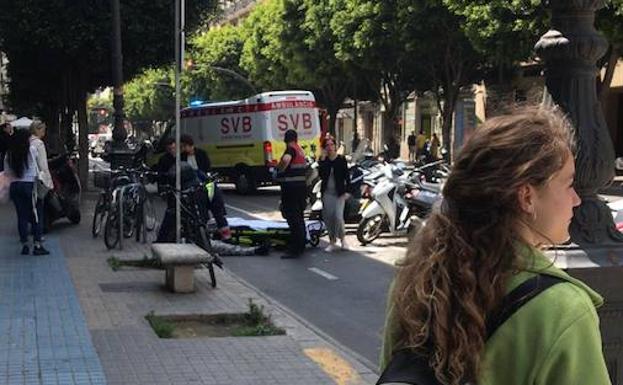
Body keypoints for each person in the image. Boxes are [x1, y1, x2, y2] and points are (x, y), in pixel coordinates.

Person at [380, 106, 611, 385]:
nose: (576, 199)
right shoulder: (562, 310)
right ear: (526, 197)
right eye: (568, 184)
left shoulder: (417, 281)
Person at [4, 129, 50, 255]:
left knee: (21, 216)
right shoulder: (31, 150)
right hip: (29, 185)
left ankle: (24, 244)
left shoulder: (9, 153)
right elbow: (37, 167)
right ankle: (37, 245)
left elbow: (7, 172)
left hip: (15, 186)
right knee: (36, 215)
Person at [180, 134, 231, 240]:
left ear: (190, 145)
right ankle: (205, 235)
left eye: (185, 146)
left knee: (217, 210)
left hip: (206, 183)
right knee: (201, 211)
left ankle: (225, 235)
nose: (184, 149)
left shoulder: (201, 153)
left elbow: (207, 167)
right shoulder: (182, 157)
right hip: (194, 187)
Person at [275, 129, 308, 259]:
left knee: (293, 219)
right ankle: (301, 244)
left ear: (286, 139)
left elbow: (286, 160)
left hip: (291, 190)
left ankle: (295, 248)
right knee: (299, 218)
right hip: (301, 189)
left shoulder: (290, 149)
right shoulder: (300, 150)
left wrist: (279, 170)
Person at [318, 137, 351, 252]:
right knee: (328, 218)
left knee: (338, 217)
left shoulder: (341, 159)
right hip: (327, 193)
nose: (330, 147)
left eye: (332, 144)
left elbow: (347, 176)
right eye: (327, 145)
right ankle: (332, 241)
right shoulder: (323, 160)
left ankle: (343, 239)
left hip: (339, 193)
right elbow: (321, 175)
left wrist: (348, 191)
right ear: (324, 147)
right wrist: (322, 160)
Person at [29, 121, 53, 200]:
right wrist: (49, 183)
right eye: (43, 129)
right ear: (37, 130)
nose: (44, 131)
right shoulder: (39, 144)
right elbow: (43, 165)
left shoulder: (28, 142)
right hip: (39, 179)